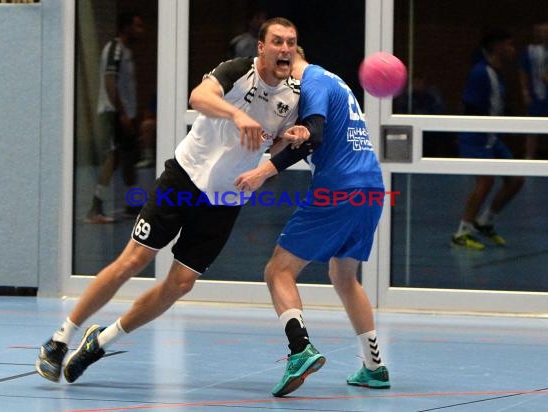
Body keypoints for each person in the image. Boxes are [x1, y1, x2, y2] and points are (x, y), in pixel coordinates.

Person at [35, 17, 306, 384]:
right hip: (184, 179)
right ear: (262, 47)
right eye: (277, 41)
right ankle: (59, 339)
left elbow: (269, 141)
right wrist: (238, 115)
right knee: (135, 258)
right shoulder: (237, 71)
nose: (285, 49)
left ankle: (98, 342)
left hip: (225, 199)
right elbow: (199, 97)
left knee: (180, 284)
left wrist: (288, 137)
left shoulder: (292, 96)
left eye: (290, 42)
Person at [234, 47, 390, 397]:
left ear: (293, 59)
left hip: (339, 189)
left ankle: (300, 349)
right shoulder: (336, 83)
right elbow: (304, 136)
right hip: (370, 187)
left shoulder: (313, 81)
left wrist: (262, 171)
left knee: (278, 270)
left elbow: (314, 136)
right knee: (344, 276)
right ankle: (375, 367)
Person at [451, 29, 525, 250]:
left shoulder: (498, 72)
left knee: (516, 180)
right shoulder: (480, 72)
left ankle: (484, 221)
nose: (512, 50)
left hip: (492, 137)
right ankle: (462, 232)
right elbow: (469, 106)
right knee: (486, 181)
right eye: (508, 45)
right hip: (476, 135)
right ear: (496, 47)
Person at [85, 12, 145, 224]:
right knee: (114, 156)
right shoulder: (115, 49)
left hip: (126, 114)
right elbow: (110, 81)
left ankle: (132, 204)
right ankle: (96, 206)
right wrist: (121, 113)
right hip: (113, 113)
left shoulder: (127, 52)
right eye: (137, 26)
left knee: (129, 157)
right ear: (125, 27)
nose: (141, 30)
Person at [518, 21, 548, 159]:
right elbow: (523, 71)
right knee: (533, 129)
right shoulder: (530, 51)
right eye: (541, 31)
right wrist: (525, 91)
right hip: (537, 95)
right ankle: (528, 157)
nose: (544, 34)